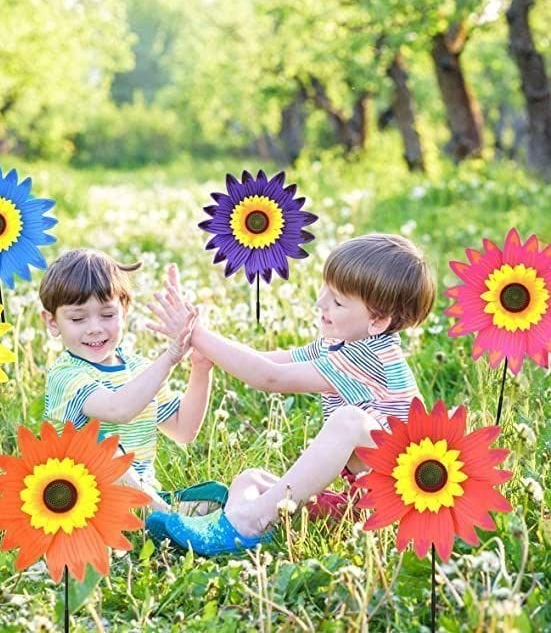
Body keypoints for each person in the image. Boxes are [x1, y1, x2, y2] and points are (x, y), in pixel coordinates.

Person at [146, 233, 436, 554]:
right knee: (249, 480)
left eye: (338, 301)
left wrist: (195, 333)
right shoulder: (338, 344)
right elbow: (265, 361)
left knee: (349, 421)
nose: (320, 303)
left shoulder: (369, 355)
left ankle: (249, 522)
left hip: (409, 493)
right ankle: (229, 531)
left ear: (378, 321)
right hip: (362, 498)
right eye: (325, 289)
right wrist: (205, 351)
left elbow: (271, 377)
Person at [40, 248, 227, 513]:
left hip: (141, 494)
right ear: (52, 321)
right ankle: (165, 518)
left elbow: (184, 430)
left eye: (107, 315)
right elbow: (119, 410)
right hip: (80, 500)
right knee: (102, 449)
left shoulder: (140, 370)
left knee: (216, 496)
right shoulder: (65, 374)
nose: (95, 327)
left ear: (125, 311)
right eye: (78, 318)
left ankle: (156, 513)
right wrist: (170, 356)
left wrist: (200, 368)